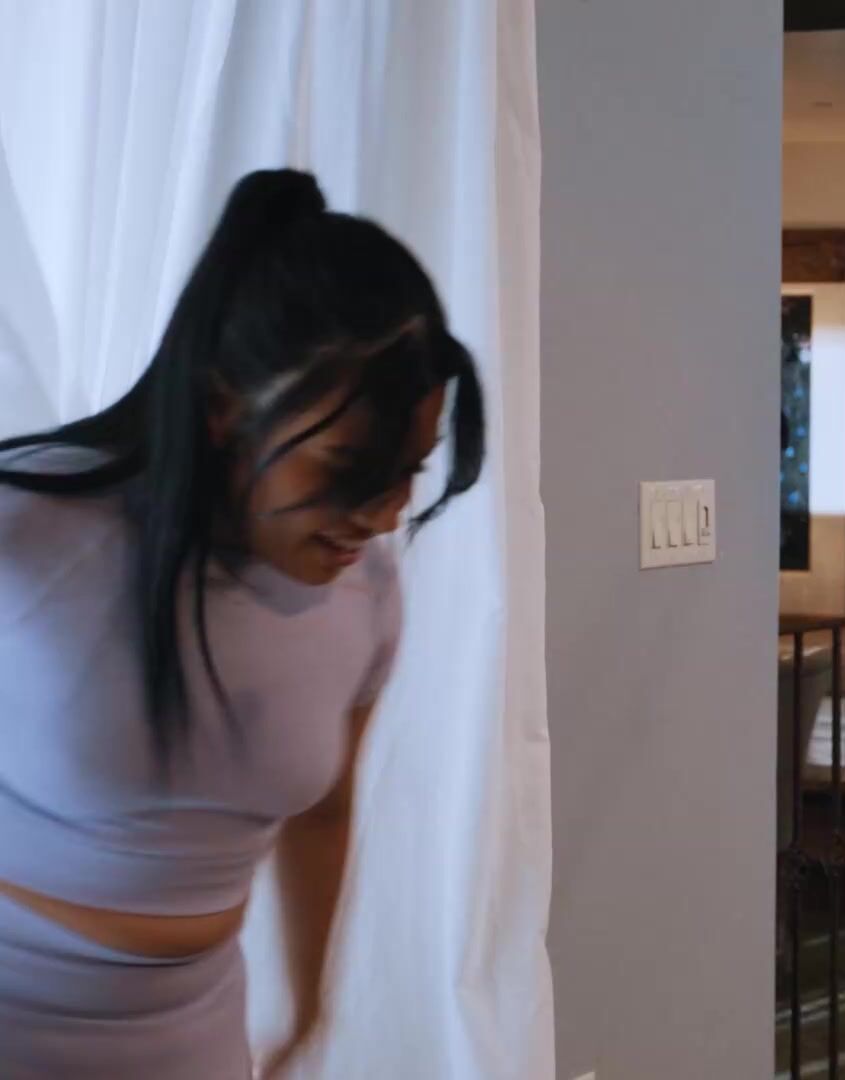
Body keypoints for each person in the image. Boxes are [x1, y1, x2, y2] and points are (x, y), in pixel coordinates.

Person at [0, 169, 484, 1077]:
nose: (382, 513)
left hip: (195, 1035)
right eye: (347, 466)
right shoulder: (27, 535)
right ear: (226, 408)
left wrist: (309, 1003)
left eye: (410, 469)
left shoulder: (367, 595)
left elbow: (322, 813)